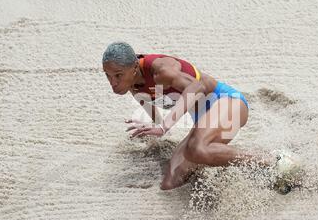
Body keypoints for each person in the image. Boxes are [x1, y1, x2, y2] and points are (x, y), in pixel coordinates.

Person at [102, 42, 297, 190]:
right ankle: (255, 174)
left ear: (134, 67)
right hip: (203, 118)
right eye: (108, 76)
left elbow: (197, 87)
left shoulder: (160, 70)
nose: (113, 83)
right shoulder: (132, 85)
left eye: (118, 75)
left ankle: (275, 160)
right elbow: (154, 111)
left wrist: (164, 127)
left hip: (228, 102)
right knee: (170, 183)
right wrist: (154, 131)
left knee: (197, 148)